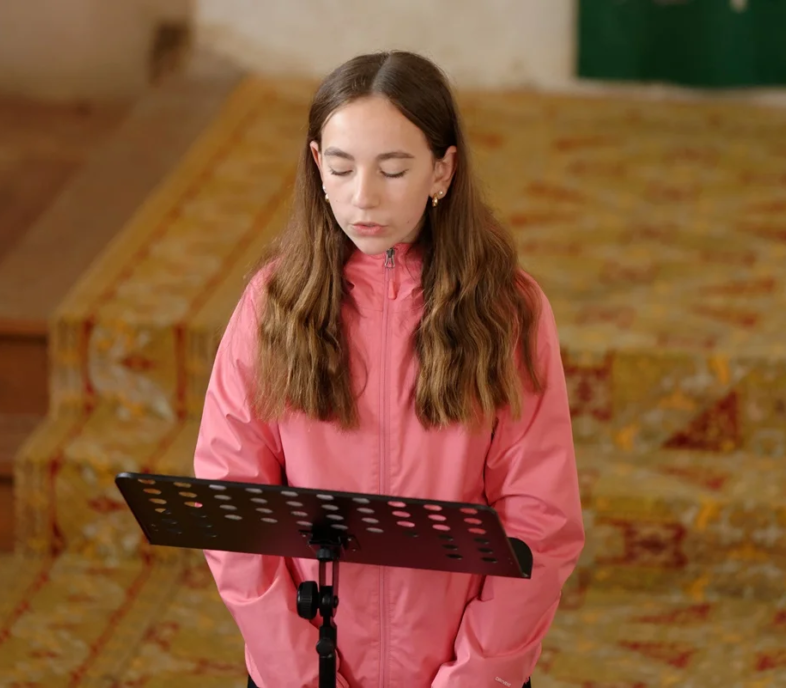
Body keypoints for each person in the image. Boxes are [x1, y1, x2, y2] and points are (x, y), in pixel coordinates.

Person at [193, 50, 585, 688]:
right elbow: (233, 508)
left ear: (442, 170)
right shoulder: (273, 304)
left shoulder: (508, 311)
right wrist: (300, 675)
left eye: (394, 169)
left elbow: (539, 523)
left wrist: (472, 678)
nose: (364, 197)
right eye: (341, 168)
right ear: (317, 166)